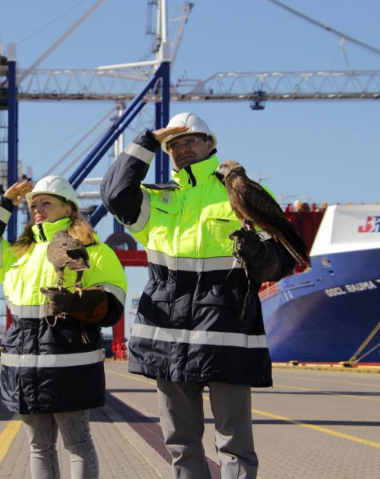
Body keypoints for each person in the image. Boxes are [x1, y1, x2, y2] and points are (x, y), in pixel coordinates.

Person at [100, 113, 296, 479]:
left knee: (234, 446)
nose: (181, 149)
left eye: (189, 141)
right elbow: (113, 193)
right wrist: (147, 141)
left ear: (210, 144)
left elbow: (281, 261)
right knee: (180, 444)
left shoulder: (240, 194)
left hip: (227, 335)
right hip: (168, 341)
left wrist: (261, 256)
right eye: (173, 146)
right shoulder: (156, 201)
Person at [0, 175, 126, 479]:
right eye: (33, 205)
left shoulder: (92, 250)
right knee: (38, 446)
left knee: (76, 442)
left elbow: (114, 302)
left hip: (68, 359)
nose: (37, 209)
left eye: (46, 203)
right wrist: (4, 202)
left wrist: (78, 302)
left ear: (68, 209)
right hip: (25, 362)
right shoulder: (18, 253)